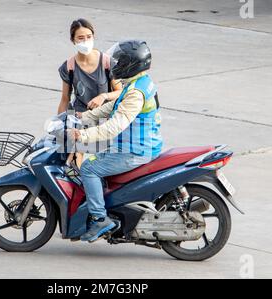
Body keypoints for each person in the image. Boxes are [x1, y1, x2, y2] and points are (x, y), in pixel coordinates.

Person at [70, 40, 163, 242]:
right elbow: (114, 106)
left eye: (120, 61)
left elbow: (115, 124)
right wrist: (83, 117)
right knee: (95, 162)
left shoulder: (136, 93)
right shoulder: (139, 84)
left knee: (88, 168)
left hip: (134, 150)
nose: (115, 65)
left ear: (131, 64)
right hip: (132, 146)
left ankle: (99, 218)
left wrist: (83, 135)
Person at [58, 18, 122, 167]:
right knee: (73, 157)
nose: (85, 41)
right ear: (73, 40)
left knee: (106, 161)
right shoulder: (69, 67)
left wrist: (104, 96)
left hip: (105, 117)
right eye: (80, 38)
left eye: (89, 36)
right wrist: (59, 123)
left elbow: (121, 91)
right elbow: (64, 99)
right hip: (81, 117)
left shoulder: (107, 62)